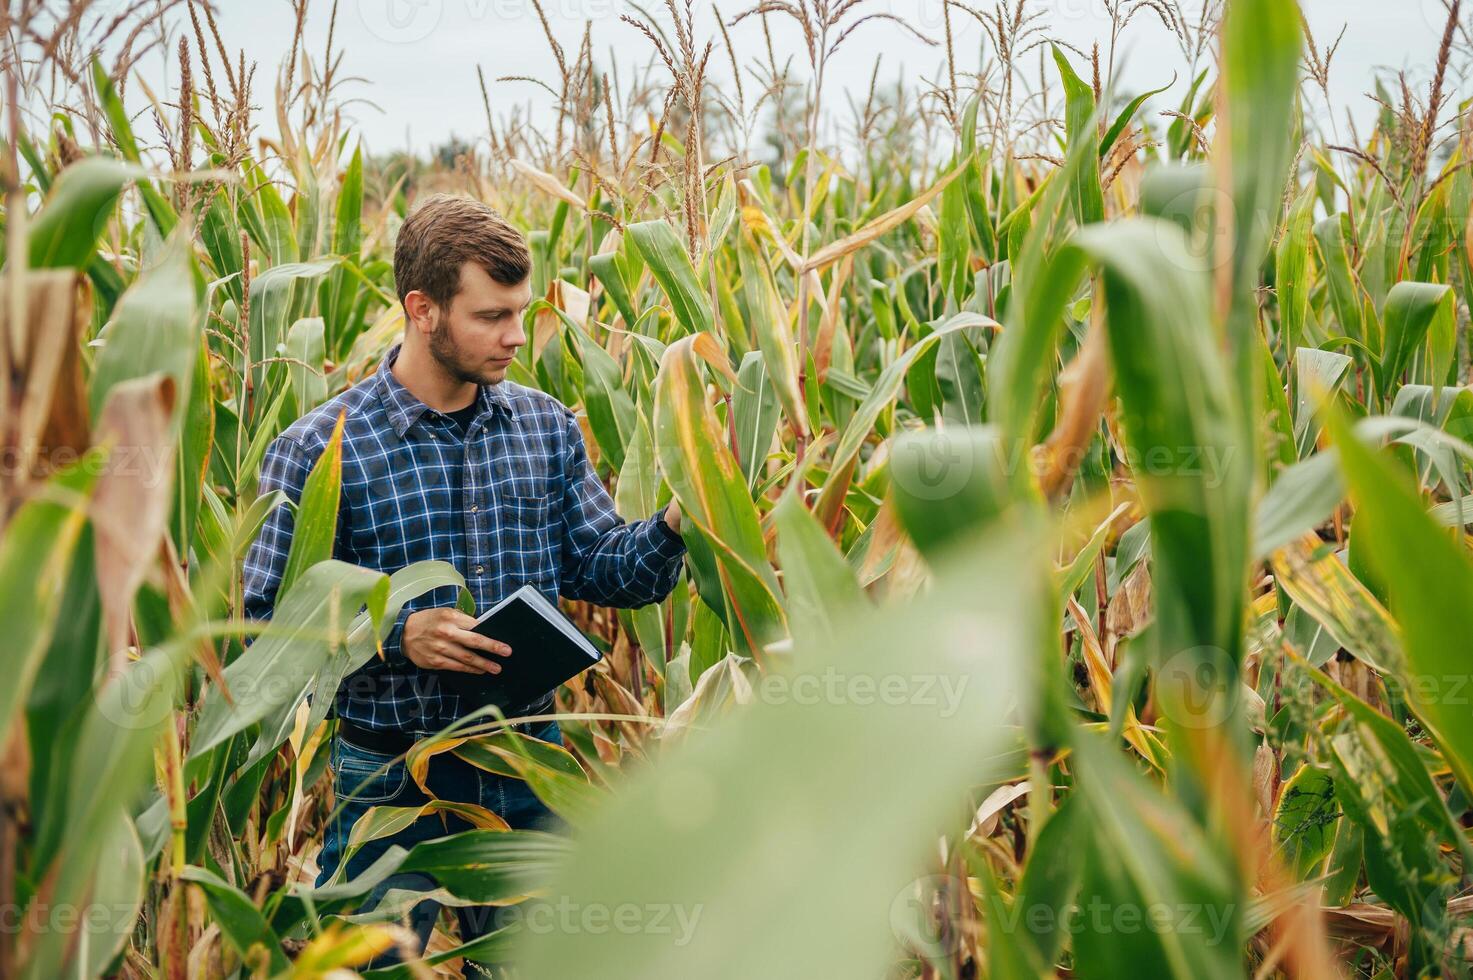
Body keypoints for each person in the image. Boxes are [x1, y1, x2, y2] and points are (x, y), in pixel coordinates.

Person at [242, 194, 687, 971]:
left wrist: (678, 524)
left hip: (525, 758)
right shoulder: (320, 447)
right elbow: (263, 626)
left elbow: (601, 566)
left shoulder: (544, 426)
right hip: (388, 776)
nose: (517, 336)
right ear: (422, 309)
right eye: (491, 316)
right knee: (367, 968)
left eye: (520, 312)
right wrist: (393, 634)